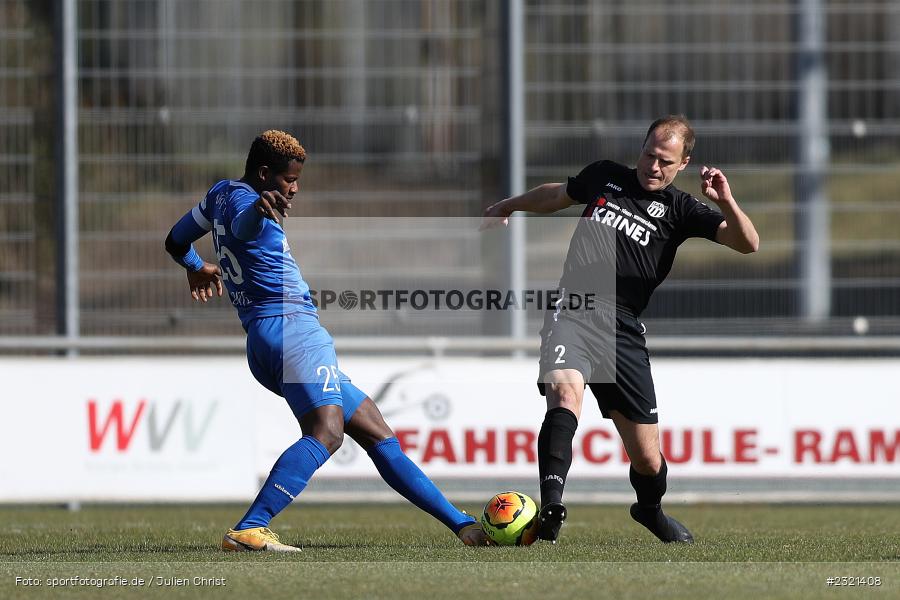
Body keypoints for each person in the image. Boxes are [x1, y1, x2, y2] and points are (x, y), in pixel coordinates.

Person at [165, 130, 487, 551]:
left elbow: (175, 240)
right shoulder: (249, 205)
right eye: (288, 179)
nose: (295, 188)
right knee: (328, 432)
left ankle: (464, 527)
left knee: (375, 431)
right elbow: (243, 228)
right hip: (294, 333)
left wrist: (194, 264)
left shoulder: (219, 194)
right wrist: (259, 212)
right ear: (264, 174)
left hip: (264, 340)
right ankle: (250, 527)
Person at [481, 115, 759, 544]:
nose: (653, 166)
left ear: (684, 163)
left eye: (665, 161)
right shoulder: (605, 176)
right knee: (564, 393)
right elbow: (556, 195)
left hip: (623, 328)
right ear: (641, 148)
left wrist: (726, 202)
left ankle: (649, 510)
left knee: (647, 459)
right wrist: (509, 205)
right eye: (649, 155)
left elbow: (747, 243)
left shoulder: (681, 209)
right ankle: (551, 505)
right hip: (573, 309)